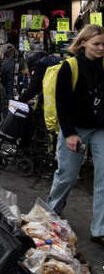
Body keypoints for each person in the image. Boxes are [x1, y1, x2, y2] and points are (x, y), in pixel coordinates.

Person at [46, 24, 104, 245]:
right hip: (75, 129)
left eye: (103, 44)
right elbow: (62, 103)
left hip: (101, 128)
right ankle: (51, 214)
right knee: (67, 175)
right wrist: (69, 133)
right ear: (82, 44)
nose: (101, 48)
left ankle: (100, 229)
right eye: (96, 44)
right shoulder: (70, 67)